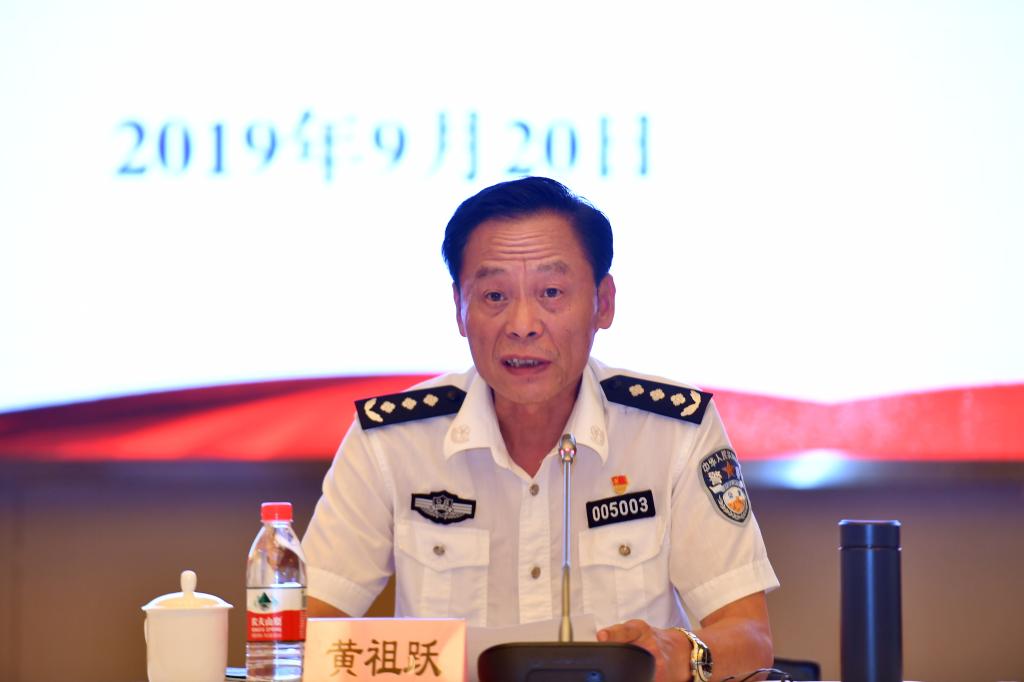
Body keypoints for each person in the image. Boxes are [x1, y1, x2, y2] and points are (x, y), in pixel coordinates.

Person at [302, 176, 779, 681]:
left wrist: (674, 652)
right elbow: (300, 635)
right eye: (494, 295)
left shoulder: (674, 432)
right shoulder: (390, 440)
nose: (523, 324)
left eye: (552, 292)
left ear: (603, 303)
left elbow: (750, 638)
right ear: (459, 309)